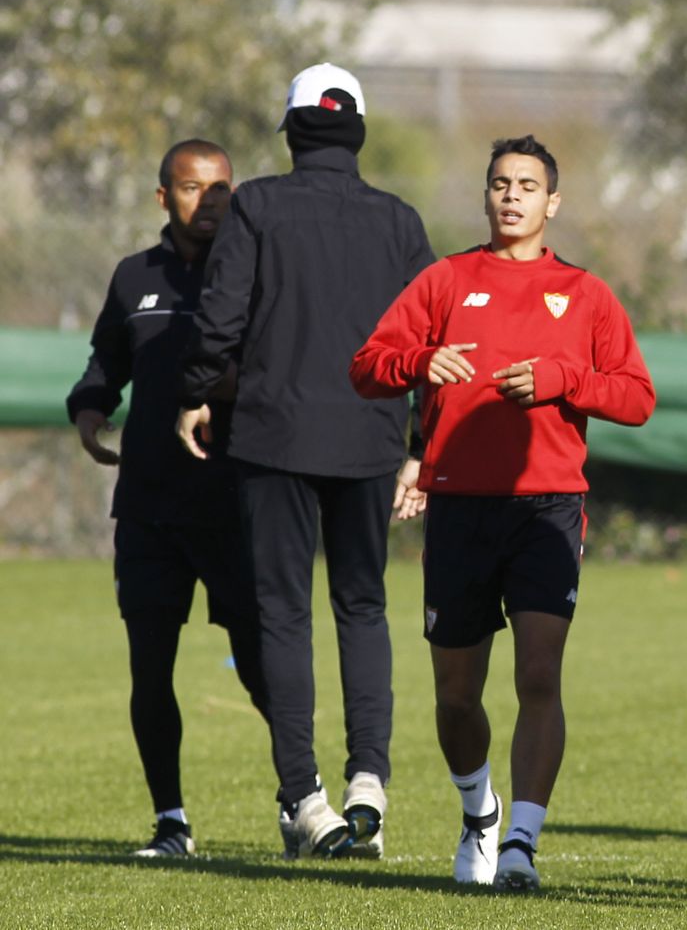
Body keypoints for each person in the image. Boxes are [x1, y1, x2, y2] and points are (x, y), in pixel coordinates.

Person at [350, 134, 655, 891]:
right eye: (498, 183)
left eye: (526, 185)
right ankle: (478, 812)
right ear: (486, 196)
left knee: (540, 675)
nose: (511, 195)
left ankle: (520, 841)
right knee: (456, 694)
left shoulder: (585, 293)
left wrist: (564, 379)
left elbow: (637, 396)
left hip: (550, 506)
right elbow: (367, 366)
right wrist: (419, 361)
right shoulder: (446, 280)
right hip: (458, 507)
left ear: (552, 202)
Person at [176, 63, 435, 860]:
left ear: (291, 133)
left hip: (273, 437)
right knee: (362, 606)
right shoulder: (399, 221)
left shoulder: (256, 204)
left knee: (282, 612)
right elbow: (433, 339)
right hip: (368, 441)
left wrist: (194, 390)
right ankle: (369, 784)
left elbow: (222, 316)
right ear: (356, 132)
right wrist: (422, 447)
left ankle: (306, 800)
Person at [67, 140, 271, 858]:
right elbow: (103, 364)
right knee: (150, 667)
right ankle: (171, 820)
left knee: (259, 663)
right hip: (150, 507)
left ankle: (300, 800)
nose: (208, 201)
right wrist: (90, 413)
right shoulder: (135, 277)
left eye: (220, 188)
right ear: (164, 197)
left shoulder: (254, 273)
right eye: (192, 188)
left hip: (236, 502)